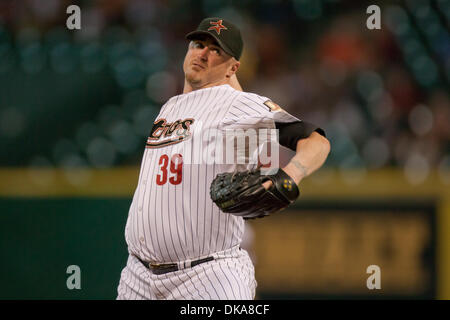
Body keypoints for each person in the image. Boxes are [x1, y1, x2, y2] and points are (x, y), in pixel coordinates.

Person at [117, 17, 330, 300]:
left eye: (216, 50)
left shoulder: (238, 104)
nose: (203, 53)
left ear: (233, 67)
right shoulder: (170, 106)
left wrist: (290, 176)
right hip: (139, 276)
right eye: (198, 44)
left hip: (206, 276)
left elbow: (317, 142)